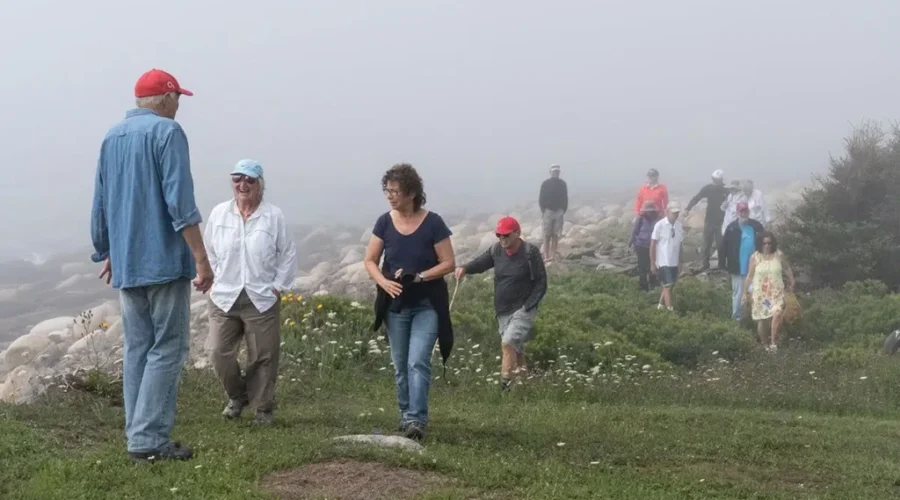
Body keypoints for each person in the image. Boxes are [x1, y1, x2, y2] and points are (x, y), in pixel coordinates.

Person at [90, 69, 213, 463]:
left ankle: (136, 432)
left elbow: (101, 202)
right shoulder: (167, 133)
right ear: (165, 98)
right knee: (169, 347)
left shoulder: (112, 137)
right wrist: (200, 257)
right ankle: (148, 439)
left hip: (127, 263)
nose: (178, 106)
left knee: (138, 348)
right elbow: (179, 200)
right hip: (162, 259)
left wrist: (106, 249)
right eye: (177, 98)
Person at [203, 160, 298, 425]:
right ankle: (237, 396)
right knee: (217, 351)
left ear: (260, 185)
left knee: (263, 356)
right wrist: (211, 281)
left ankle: (263, 408)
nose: (242, 185)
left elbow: (287, 253)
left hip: (261, 296)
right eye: (237, 179)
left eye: (250, 180)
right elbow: (208, 249)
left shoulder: (273, 216)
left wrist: (278, 287)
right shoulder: (219, 213)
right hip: (224, 296)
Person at [365, 163, 456, 441]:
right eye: (387, 190)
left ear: (412, 192)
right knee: (400, 363)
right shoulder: (384, 222)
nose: (390, 196)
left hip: (427, 303)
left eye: (395, 191)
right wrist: (383, 281)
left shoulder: (434, 222)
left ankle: (417, 419)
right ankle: (405, 415)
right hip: (395, 306)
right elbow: (369, 260)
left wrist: (420, 277)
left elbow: (449, 263)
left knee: (418, 361)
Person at [455, 216, 547, 391]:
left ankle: (505, 387)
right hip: (502, 309)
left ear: (517, 233)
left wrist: (529, 306)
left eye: (506, 235)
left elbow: (541, 282)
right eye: (499, 235)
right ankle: (524, 384)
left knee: (507, 343)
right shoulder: (496, 250)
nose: (502, 239)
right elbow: (481, 263)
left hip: (523, 308)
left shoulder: (530, 252)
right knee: (516, 349)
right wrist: (465, 268)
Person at [742, 231, 795, 352]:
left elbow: (786, 267)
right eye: (764, 243)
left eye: (769, 243)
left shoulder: (779, 254)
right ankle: (765, 345)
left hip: (776, 293)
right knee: (763, 319)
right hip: (761, 295)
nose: (767, 245)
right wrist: (744, 293)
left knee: (777, 313)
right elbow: (750, 276)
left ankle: (773, 344)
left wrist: (792, 280)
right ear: (760, 244)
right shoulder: (754, 257)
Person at [721, 202, 763, 321]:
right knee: (738, 294)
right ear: (737, 212)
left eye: (746, 211)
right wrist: (722, 264)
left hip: (756, 267)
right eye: (741, 211)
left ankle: (757, 317)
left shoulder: (756, 226)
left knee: (758, 291)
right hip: (737, 267)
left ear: (748, 211)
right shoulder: (731, 228)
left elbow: (765, 242)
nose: (744, 213)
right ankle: (737, 319)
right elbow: (723, 246)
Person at [684, 170, 728, 270]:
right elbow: (697, 198)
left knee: (720, 244)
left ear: (721, 180)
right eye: (714, 179)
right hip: (710, 220)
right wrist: (687, 208)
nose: (716, 181)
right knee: (706, 244)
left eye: (718, 180)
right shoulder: (708, 188)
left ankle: (721, 266)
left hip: (721, 222)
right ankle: (704, 265)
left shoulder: (726, 191)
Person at [650, 201, 684, 311]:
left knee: (670, 285)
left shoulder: (679, 226)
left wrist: (680, 262)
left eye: (677, 212)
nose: (676, 215)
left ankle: (660, 305)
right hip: (663, 261)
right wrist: (652, 263)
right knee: (668, 286)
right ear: (667, 212)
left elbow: (680, 245)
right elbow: (653, 244)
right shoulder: (659, 225)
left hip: (674, 261)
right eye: (674, 212)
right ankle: (670, 311)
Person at [538, 164, 568, 263]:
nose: (556, 173)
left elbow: (565, 197)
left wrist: (564, 209)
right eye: (554, 171)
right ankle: (546, 255)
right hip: (548, 211)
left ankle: (553, 255)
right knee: (547, 235)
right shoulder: (545, 184)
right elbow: (541, 198)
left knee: (555, 235)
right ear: (550, 172)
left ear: (559, 173)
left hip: (559, 211)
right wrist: (544, 210)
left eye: (557, 171)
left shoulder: (563, 184)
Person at [629, 200, 660, 291]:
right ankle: (643, 286)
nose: (648, 212)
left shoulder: (658, 219)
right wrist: (630, 243)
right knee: (642, 265)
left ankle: (652, 283)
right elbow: (634, 231)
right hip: (640, 245)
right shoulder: (640, 218)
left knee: (653, 264)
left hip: (653, 245)